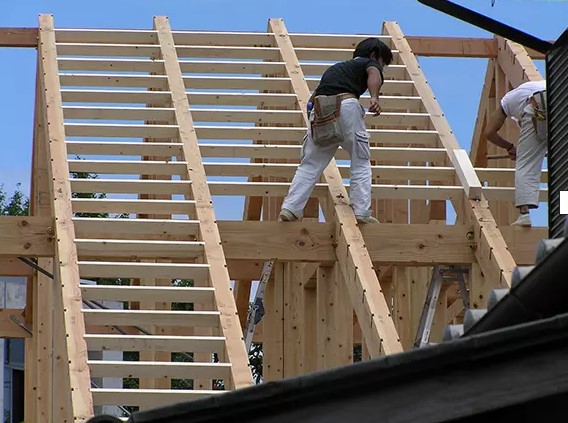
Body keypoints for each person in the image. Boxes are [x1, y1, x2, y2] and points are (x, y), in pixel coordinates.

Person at [277, 38, 393, 224]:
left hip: (321, 109)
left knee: (310, 164)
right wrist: (374, 97)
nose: (382, 68)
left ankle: (291, 208)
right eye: (383, 63)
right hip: (347, 106)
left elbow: (311, 99)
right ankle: (361, 211)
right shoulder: (369, 63)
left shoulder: (335, 69)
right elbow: (374, 74)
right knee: (360, 160)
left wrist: (313, 125)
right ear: (373, 55)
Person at [485, 80, 547, 227]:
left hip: (539, 104)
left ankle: (524, 215)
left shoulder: (507, 101)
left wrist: (510, 147)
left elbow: (489, 132)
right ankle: (566, 213)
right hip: (561, 97)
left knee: (526, 164)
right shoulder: (538, 84)